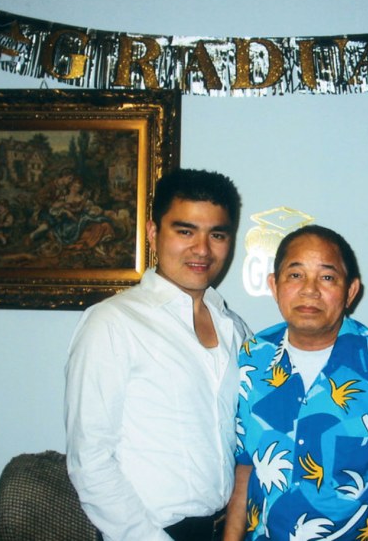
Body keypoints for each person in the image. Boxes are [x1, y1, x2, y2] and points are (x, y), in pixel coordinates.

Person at [224, 225, 368, 541]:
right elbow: (245, 469)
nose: (310, 290)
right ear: (274, 285)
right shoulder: (251, 359)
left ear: (350, 291)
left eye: (327, 277)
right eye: (295, 275)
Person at [65, 169, 251, 541]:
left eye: (217, 234)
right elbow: (90, 461)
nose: (202, 249)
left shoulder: (237, 328)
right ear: (153, 233)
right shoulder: (112, 323)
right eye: (185, 231)